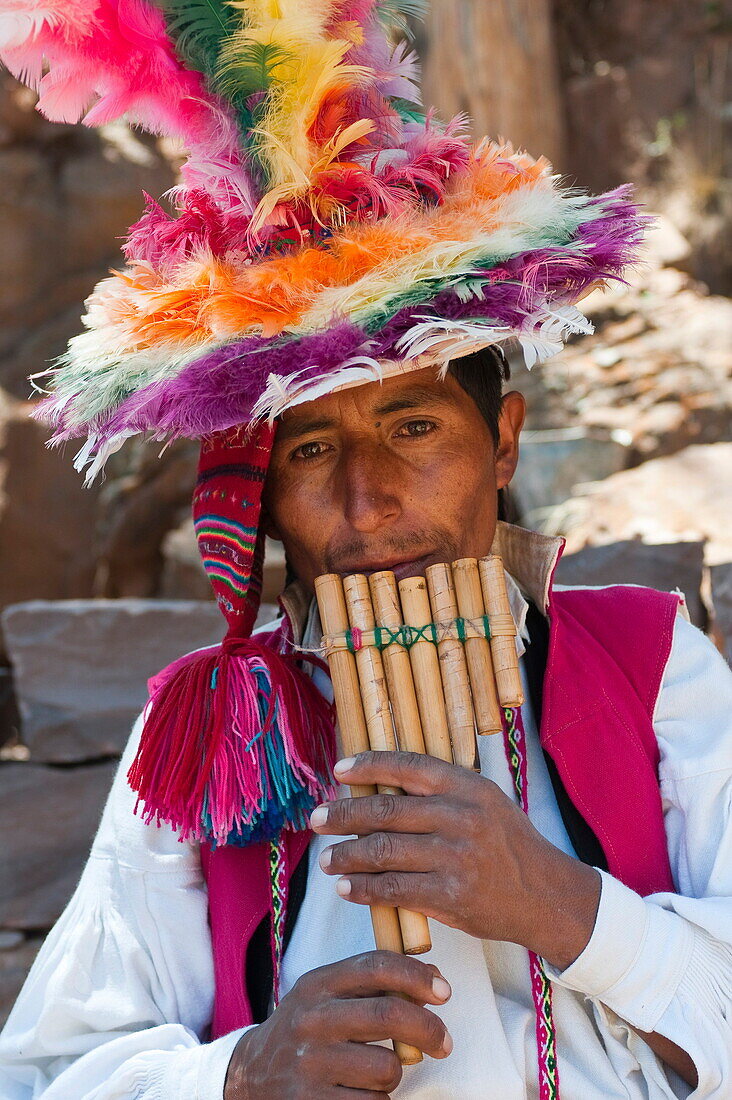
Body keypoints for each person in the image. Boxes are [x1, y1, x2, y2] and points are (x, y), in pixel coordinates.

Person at [0, 3, 730, 1098]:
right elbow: (48, 1070)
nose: (366, 496)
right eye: (310, 446)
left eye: (414, 425)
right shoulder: (201, 733)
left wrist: (562, 906)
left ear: (503, 444)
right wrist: (243, 1071)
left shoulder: (653, 664)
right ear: (264, 493)